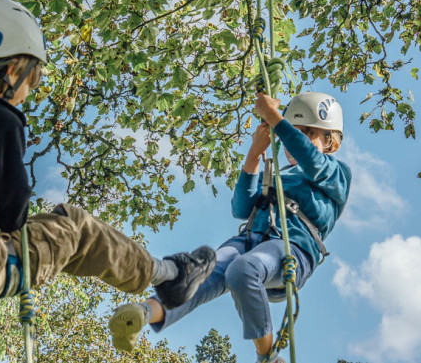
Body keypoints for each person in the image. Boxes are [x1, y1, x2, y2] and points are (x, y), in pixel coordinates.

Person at [0, 0, 216, 363]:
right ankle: (169, 276)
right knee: (76, 228)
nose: (30, 91)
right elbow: (13, 217)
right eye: (32, 78)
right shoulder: (3, 121)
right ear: (11, 70)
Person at [109, 92, 352, 363]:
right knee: (200, 274)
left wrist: (275, 118)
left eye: (308, 133)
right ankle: (143, 313)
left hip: (289, 248)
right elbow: (241, 208)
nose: (295, 139)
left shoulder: (336, 173)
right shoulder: (278, 174)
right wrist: (254, 154)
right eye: (296, 131)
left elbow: (312, 161)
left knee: (242, 270)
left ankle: (268, 356)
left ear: (330, 142)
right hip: (250, 240)